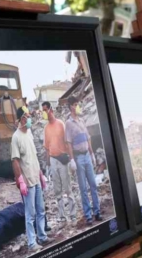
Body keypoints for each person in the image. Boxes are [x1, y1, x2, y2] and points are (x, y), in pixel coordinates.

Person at [11, 106, 49, 252]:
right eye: (27, 116)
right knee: (30, 214)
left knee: (41, 210)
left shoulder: (29, 133)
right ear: (22, 119)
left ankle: (42, 236)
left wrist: (40, 174)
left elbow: (33, 156)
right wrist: (20, 180)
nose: (30, 119)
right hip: (28, 181)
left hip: (36, 178)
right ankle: (32, 243)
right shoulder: (16, 137)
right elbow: (15, 161)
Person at [65, 96, 101, 226]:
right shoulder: (68, 123)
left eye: (78, 104)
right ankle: (88, 215)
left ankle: (97, 212)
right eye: (75, 104)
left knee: (93, 185)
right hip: (79, 157)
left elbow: (88, 138)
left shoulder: (81, 120)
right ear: (71, 107)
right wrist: (72, 160)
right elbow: (68, 143)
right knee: (83, 188)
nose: (77, 106)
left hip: (87, 156)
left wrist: (92, 154)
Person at [42, 102, 76, 222]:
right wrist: (48, 165)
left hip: (63, 159)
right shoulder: (46, 128)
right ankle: (62, 217)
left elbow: (67, 142)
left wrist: (71, 159)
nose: (44, 113)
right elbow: (47, 148)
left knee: (67, 188)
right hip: (53, 159)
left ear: (51, 110)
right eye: (43, 111)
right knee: (57, 190)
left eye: (45, 110)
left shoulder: (60, 124)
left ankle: (72, 214)